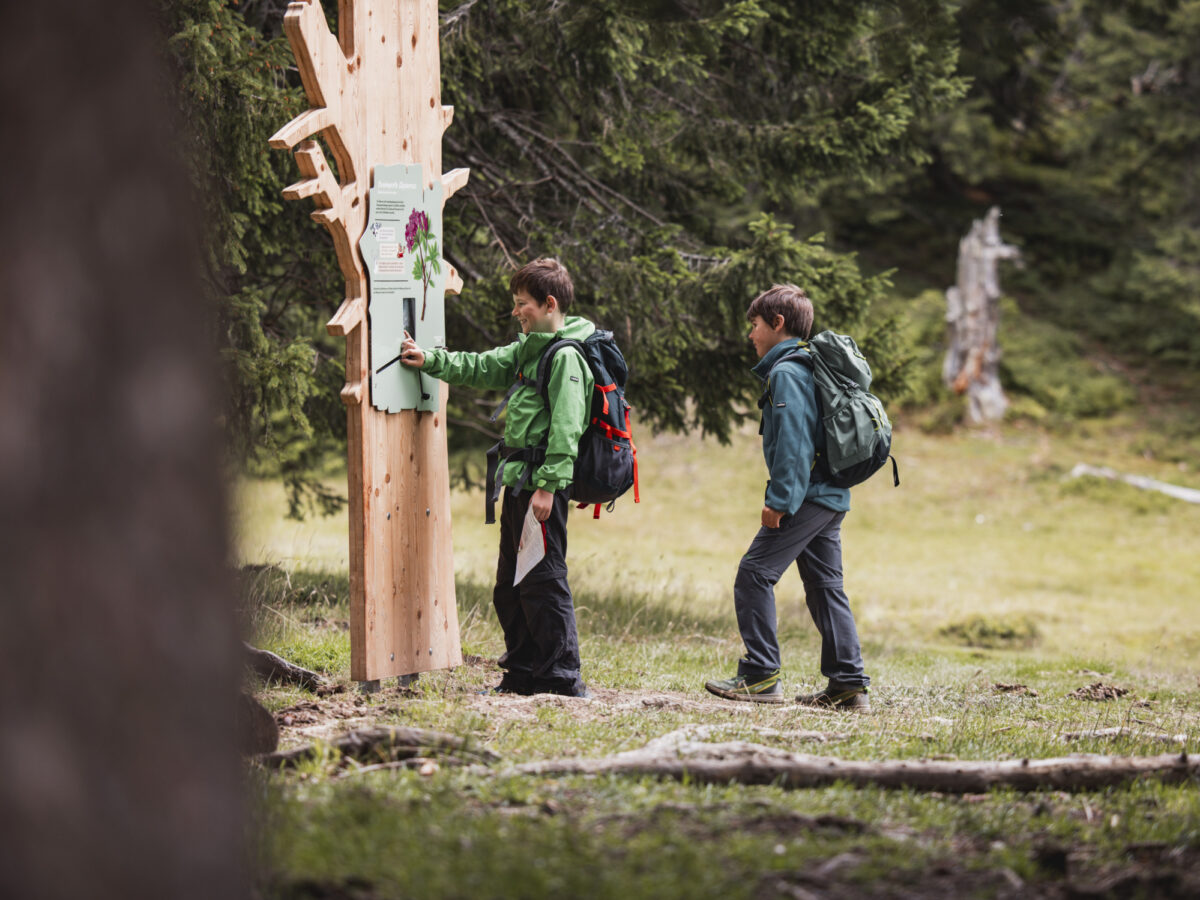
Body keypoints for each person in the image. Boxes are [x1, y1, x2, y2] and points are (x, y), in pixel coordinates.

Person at [399, 258, 594, 698]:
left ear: (548, 304)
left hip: (542, 488)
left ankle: (562, 680)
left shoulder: (564, 357)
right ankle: (522, 674)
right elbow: (479, 367)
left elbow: (567, 427)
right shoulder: (530, 349)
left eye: (522, 303)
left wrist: (548, 486)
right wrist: (428, 359)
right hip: (519, 484)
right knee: (511, 585)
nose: (515, 312)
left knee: (543, 581)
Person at [704, 284, 871, 711]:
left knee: (754, 573)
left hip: (807, 495)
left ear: (777, 324)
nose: (750, 335)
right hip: (830, 494)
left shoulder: (787, 372)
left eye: (755, 325)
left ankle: (760, 675)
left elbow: (794, 445)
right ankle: (848, 685)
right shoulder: (807, 365)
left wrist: (779, 502)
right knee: (825, 586)